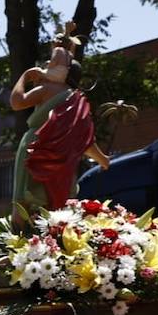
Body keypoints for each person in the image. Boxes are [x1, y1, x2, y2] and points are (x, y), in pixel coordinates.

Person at [9, 25, 111, 226]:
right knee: (57, 200)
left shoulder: (46, 89)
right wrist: (102, 159)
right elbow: (85, 141)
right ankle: (54, 238)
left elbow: (17, 102)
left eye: (52, 62)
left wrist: (26, 76)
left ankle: (19, 239)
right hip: (63, 156)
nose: (47, 63)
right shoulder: (76, 97)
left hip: (35, 148)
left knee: (24, 199)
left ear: (63, 70)